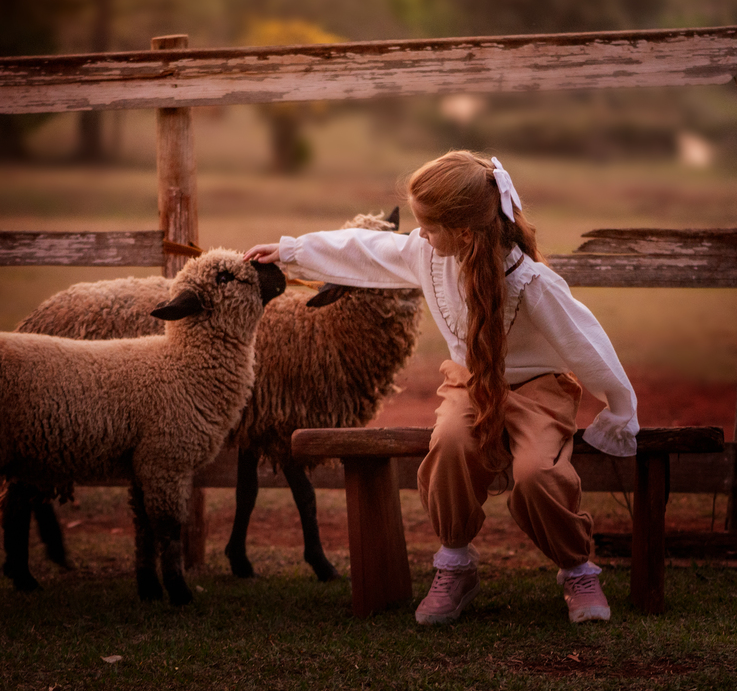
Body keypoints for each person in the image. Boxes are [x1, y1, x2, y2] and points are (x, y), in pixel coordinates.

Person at [244, 150, 638, 625]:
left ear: (465, 233)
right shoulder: (426, 255)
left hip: (537, 392)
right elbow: (362, 249)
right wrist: (289, 252)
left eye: (428, 226)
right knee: (449, 444)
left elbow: (587, 346)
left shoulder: (533, 283)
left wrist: (619, 409)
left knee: (537, 475)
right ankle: (456, 562)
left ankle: (577, 568)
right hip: (469, 386)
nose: (420, 234)